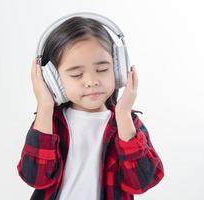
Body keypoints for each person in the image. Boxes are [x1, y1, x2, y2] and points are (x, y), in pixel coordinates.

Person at [17, 15, 164, 200]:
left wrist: (123, 114)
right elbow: (35, 177)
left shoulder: (128, 124)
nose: (92, 81)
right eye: (77, 74)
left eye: (102, 70)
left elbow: (142, 182)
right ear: (54, 80)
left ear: (118, 70)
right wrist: (44, 106)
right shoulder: (50, 123)